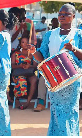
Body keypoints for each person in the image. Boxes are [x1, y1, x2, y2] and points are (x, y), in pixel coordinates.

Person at [29, 3, 82, 136]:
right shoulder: (50, 35)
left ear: (73, 16)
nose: (62, 16)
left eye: (66, 14)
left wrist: (73, 49)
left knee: (69, 113)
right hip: (54, 81)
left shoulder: (78, 34)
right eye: (60, 14)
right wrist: (34, 52)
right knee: (57, 114)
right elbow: (42, 56)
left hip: (72, 82)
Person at [11, 36, 38, 110]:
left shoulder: (32, 54)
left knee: (34, 79)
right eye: (23, 42)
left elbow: (36, 66)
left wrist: (30, 66)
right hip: (19, 73)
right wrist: (20, 65)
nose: (25, 44)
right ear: (20, 44)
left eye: (27, 42)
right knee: (21, 79)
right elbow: (12, 65)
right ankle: (20, 101)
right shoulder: (15, 53)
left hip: (29, 72)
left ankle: (28, 101)